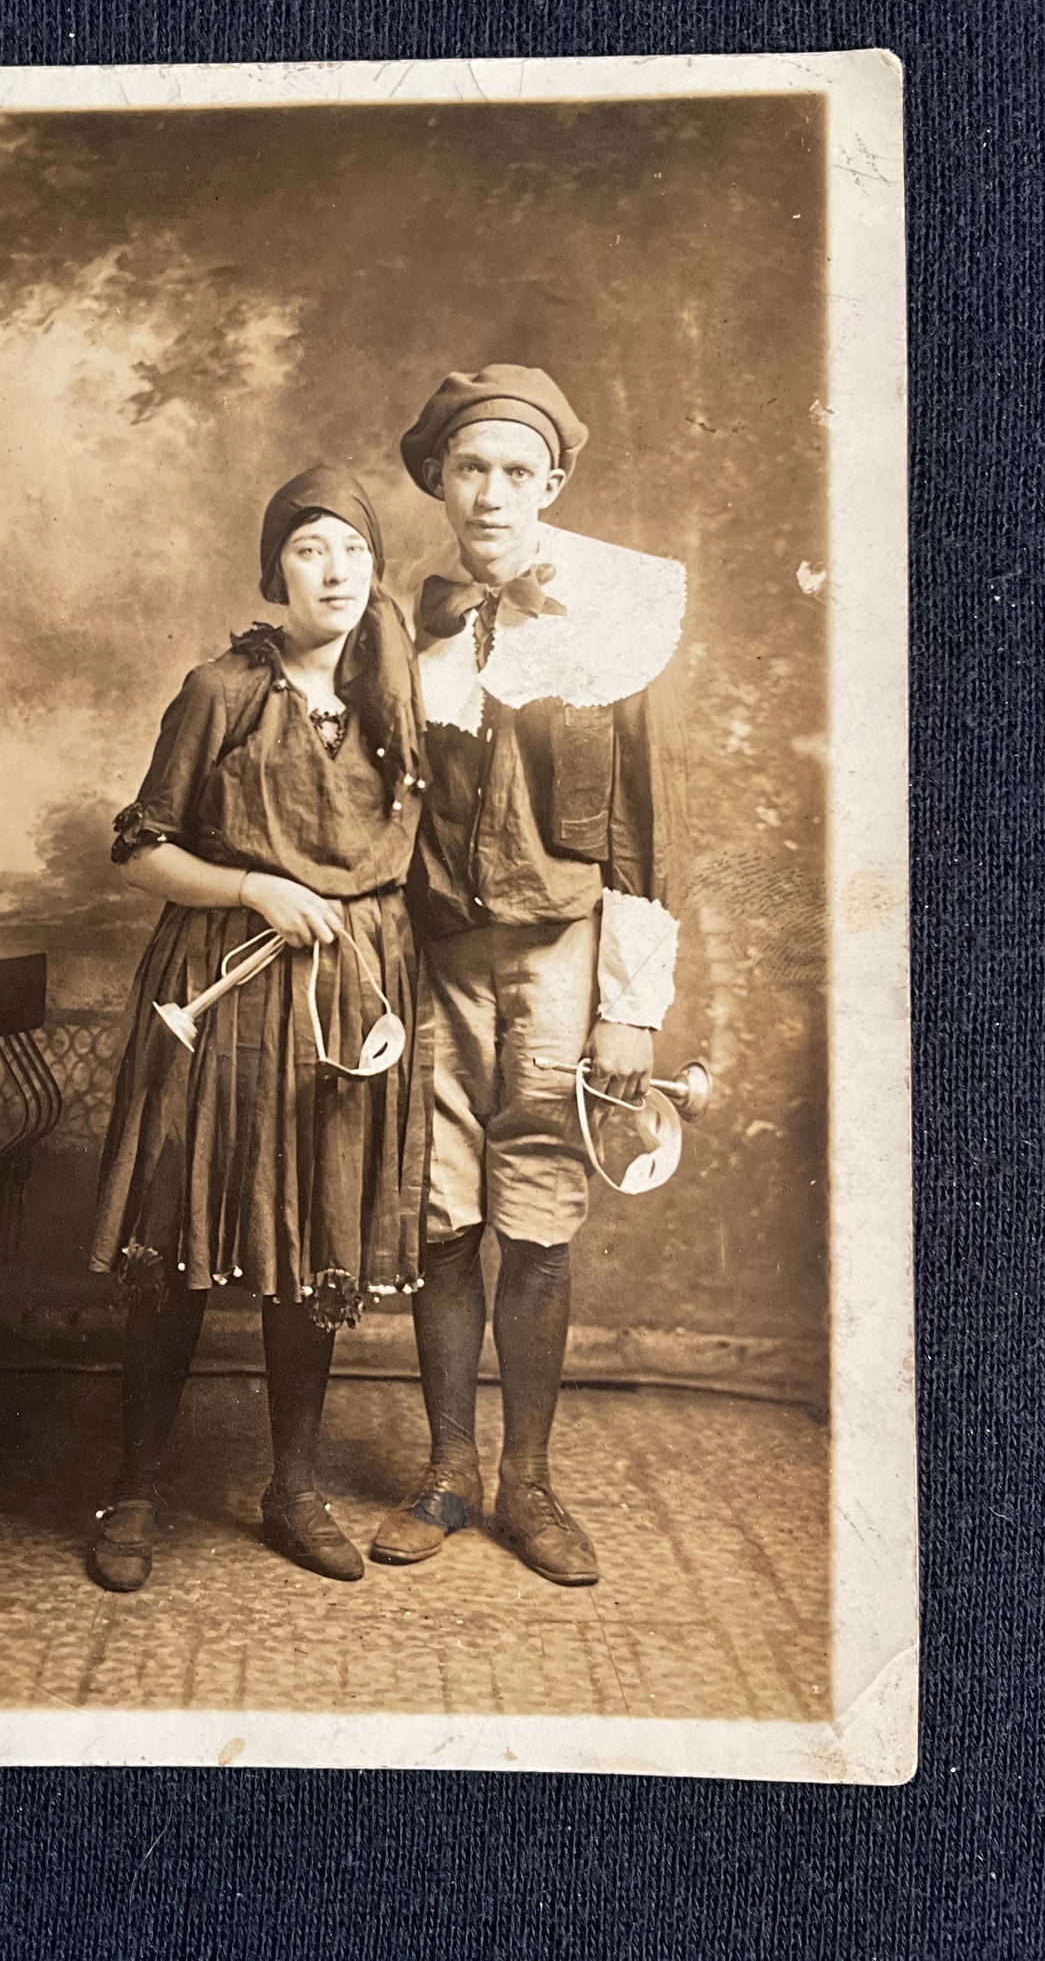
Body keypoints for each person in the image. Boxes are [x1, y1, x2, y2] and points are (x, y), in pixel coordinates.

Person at [371, 365, 690, 1587]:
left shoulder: (615, 611)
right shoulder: (408, 611)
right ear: (440, 482)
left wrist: (629, 1009)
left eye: (516, 473)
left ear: (551, 485)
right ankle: (448, 1472)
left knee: (539, 1212)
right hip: (438, 955)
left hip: (564, 955)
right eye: (470, 469)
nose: (492, 493)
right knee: (442, 1210)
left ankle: (530, 1485)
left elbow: (648, 822)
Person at [86, 466, 429, 1592]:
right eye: (308, 549)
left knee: (313, 1236)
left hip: (344, 994)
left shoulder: (396, 701)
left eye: (352, 551)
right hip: (223, 987)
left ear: (374, 570)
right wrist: (249, 890)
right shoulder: (220, 690)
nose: (333, 571)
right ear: (273, 568)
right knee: (178, 1235)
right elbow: (141, 850)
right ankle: (133, 1485)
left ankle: (294, 1488)